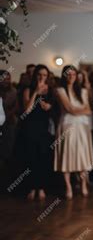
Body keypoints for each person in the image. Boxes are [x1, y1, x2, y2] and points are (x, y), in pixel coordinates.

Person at [54, 65, 93, 199]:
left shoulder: (82, 91)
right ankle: (69, 187)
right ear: (64, 76)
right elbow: (69, 108)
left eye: (74, 74)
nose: (71, 77)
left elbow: (89, 110)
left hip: (82, 126)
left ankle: (83, 184)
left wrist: (79, 110)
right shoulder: (60, 90)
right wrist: (80, 110)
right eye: (69, 74)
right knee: (67, 155)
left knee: (83, 155)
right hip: (67, 125)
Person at [19, 65, 54, 200]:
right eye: (39, 74)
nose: (42, 77)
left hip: (44, 129)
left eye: (44, 75)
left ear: (47, 76)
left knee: (43, 158)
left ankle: (42, 188)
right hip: (30, 128)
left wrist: (49, 106)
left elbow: (52, 108)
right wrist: (35, 92)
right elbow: (27, 110)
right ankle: (32, 187)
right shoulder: (27, 89)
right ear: (35, 75)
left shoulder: (50, 91)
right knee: (31, 158)